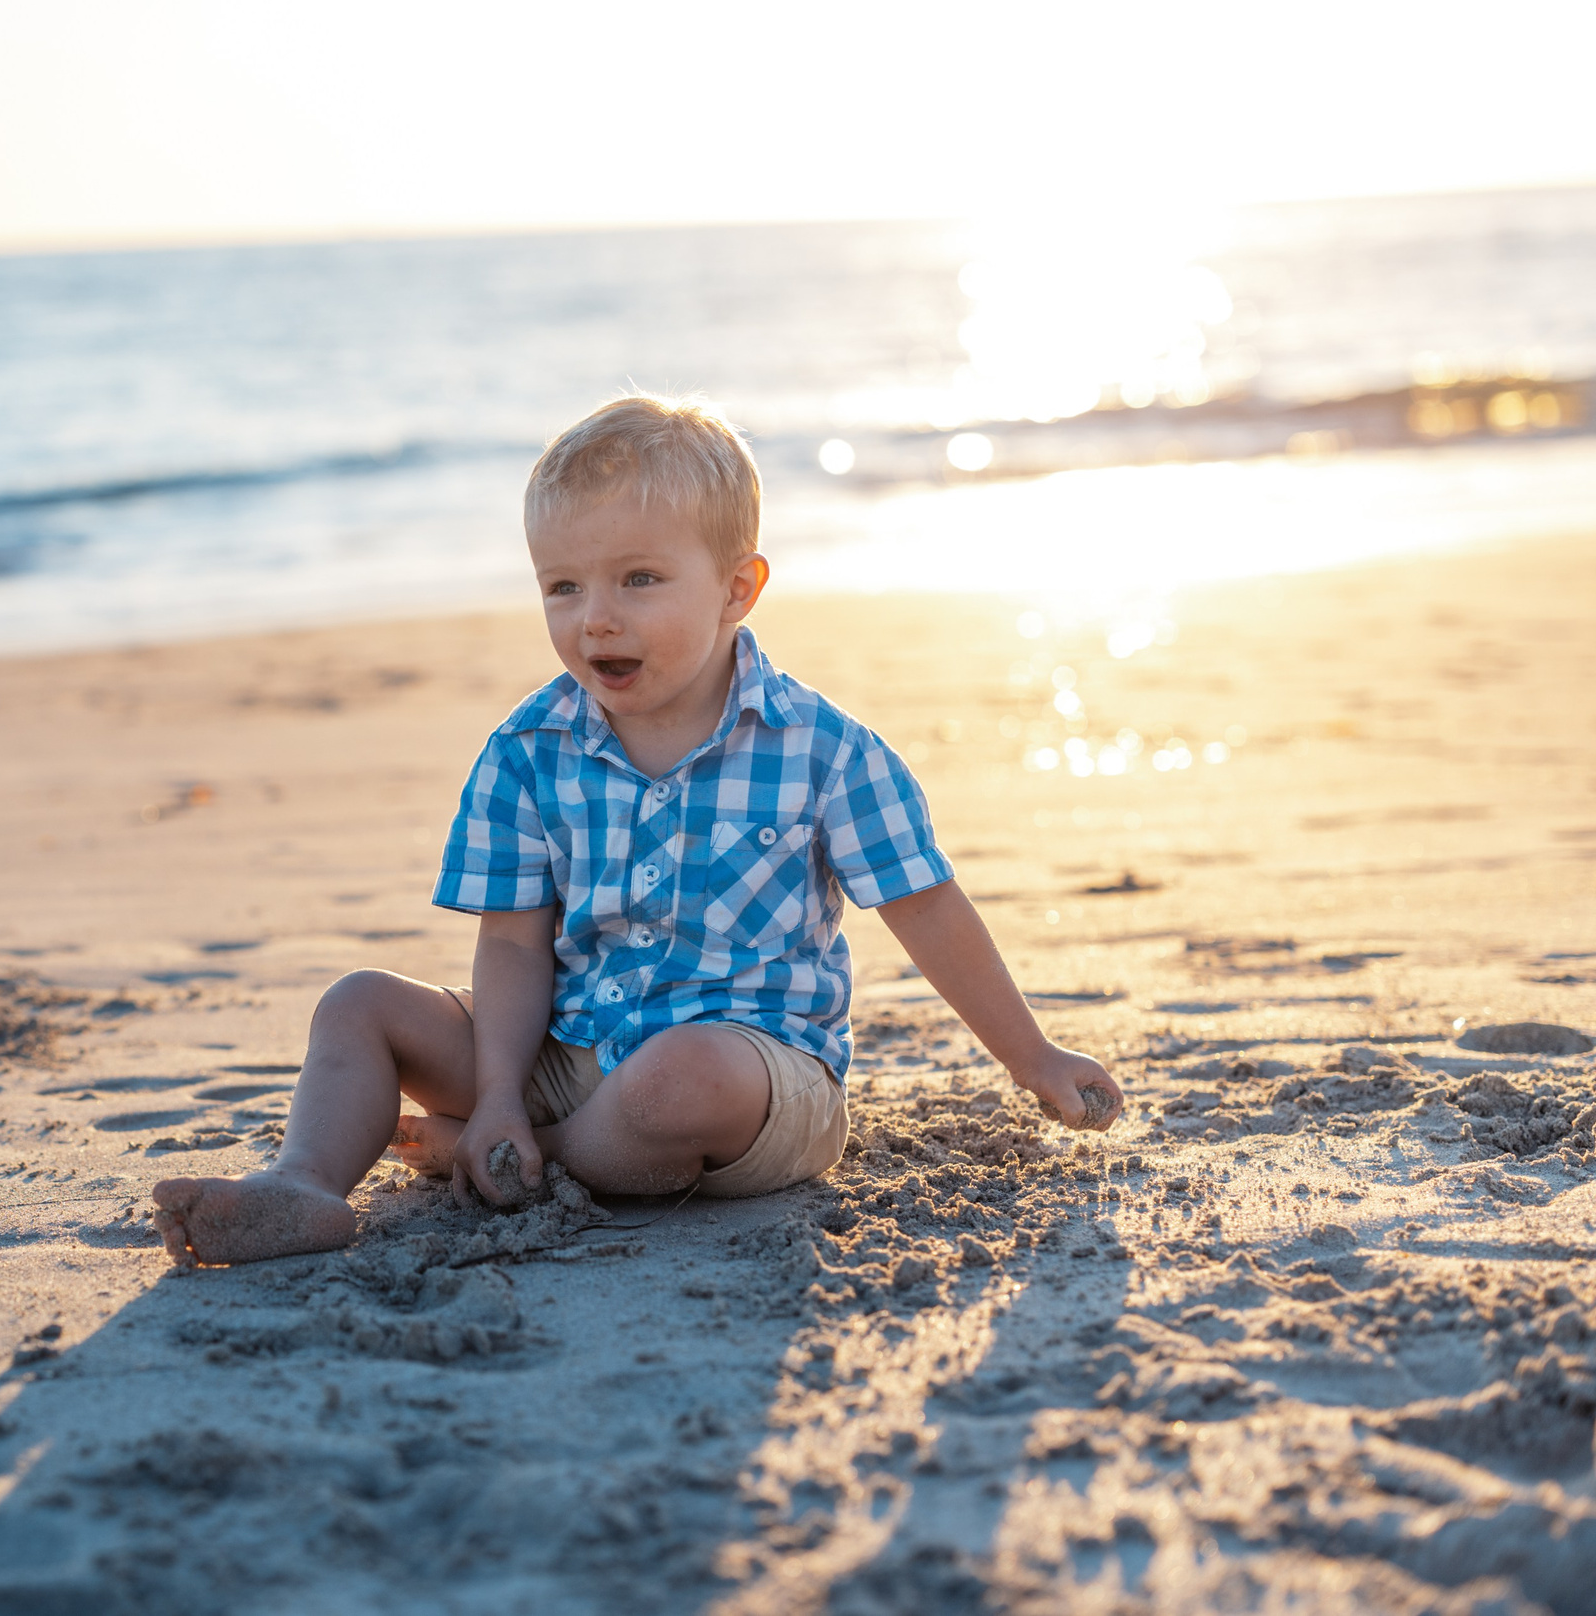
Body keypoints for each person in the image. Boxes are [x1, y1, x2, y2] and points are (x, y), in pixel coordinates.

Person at [153, 395, 1125, 1265]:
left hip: (749, 1072)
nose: (595, 621)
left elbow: (926, 907)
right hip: (569, 1048)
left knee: (680, 1079)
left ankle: (503, 1160)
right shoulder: (529, 748)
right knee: (360, 1002)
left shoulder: (822, 749)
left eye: (639, 580)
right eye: (562, 587)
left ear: (737, 590)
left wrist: (1029, 1058)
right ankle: (309, 1183)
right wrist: (497, 1092)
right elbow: (511, 943)